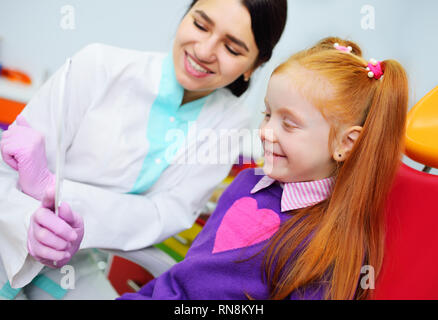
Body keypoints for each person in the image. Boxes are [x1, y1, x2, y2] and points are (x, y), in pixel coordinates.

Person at [0, 0, 288, 299]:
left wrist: (48, 188)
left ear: (254, 66)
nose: (203, 52)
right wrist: (30, 222)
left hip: (74, 262)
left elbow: (163, 215)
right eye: (200, 25)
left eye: (232, 49)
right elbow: (7, 173)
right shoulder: (98, 66)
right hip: (9, 231)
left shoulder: (230, 122)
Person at [118, 36, 409, 300]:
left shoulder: (327, 243)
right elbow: (188, 275)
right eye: (267, 114)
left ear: (345, 143)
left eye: (289, 124)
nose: (266, 132)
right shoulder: (246, 182)